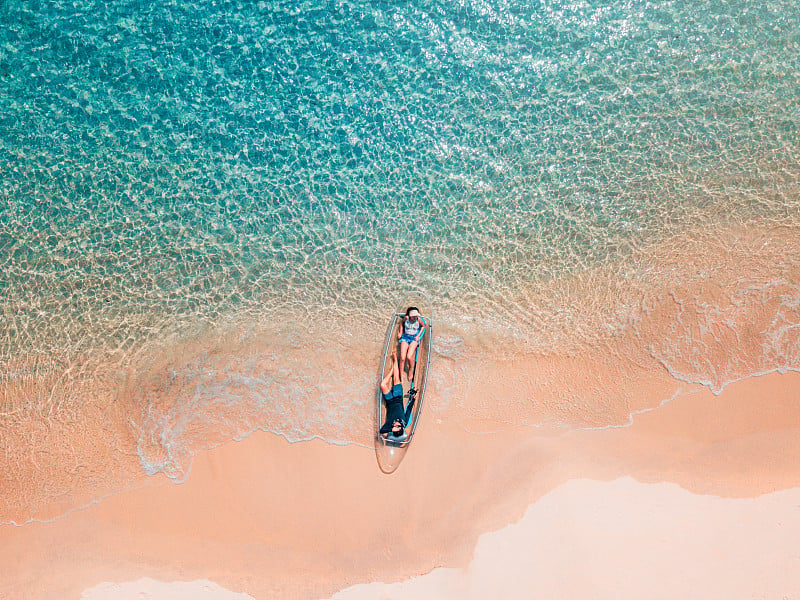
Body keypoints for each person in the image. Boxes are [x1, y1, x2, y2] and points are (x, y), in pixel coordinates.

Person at [379, 354, 408, 440]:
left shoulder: (389, 425)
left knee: (383, 384)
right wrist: (413, 400)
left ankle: (392, 369)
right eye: (397, 428)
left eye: (394, 429)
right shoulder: (404, 422)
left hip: (389, 400)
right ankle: (395, 358)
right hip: (398, 397)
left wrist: (391, 428)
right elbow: (408, 411)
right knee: (396, 378)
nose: (395, 427)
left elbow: (381, 431)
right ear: (400, 428)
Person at [397, 306, 426, 382]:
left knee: (409, 357)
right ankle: (401, 376)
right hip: (405, 337)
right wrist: (400, 332)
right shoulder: (406, 318)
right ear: (410, 315)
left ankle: (410, 370)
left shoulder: (418, 319)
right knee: (402, 357)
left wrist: (418, 335)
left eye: (416, 316)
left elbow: (423, 326)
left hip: (413, 339)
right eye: (413, 316)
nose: (415, 317)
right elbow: (401, 324)